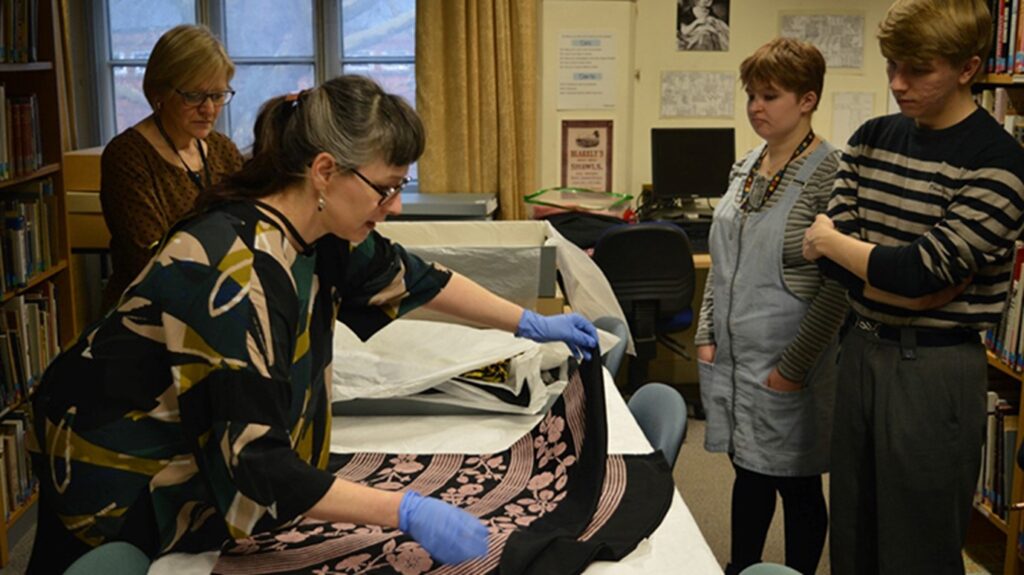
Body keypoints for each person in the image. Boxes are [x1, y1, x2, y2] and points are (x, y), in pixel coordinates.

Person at [26, 75, 598, 574]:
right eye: (387, 187)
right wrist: (402, 510)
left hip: (190, 455)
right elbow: (256, 461)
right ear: (325, 171)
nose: (394, 205)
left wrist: (528, 323)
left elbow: (418, 278)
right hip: (117, 472)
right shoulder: (234, 270)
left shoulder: (322, 233)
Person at [802, 1, 1024, 572]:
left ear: (968, 67)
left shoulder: (1000, 162)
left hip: (935, 370)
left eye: (918, 70)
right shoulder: (872, 136)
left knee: (918, 546)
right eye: (891, 66)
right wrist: (884, 271)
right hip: (860, 351)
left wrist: (836, 244)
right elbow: (871, 273)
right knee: (852, 533)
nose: (898, 84)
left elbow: (920, 272)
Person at [694, 38, 849, 575]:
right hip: (735, 360)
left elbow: (837, 289)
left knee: (797, 484)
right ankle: (743, 567)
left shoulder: (832, 174)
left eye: (771, 95)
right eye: (751, 95)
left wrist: (793, 368)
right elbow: (724, 260)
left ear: (807, 100)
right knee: (749, 474)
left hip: (789, 365)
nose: (756, 107)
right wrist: (706, 332)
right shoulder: (747, 167)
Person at [100, 24, 244, 311]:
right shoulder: (128, 155)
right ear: (159, 92)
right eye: (194, 95)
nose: (209, 109)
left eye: (217, 96)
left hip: (218, 301)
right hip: (149, 312)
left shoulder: (222, 149)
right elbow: (151, 258)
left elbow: (250, 226)